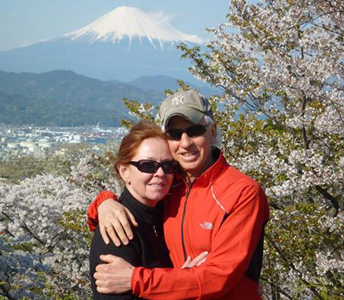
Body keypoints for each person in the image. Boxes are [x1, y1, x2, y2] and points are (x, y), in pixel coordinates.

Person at [89, 90, 270, 299]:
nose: (185, 143)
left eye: (194, 131)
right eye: (175, 134)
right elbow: (139, 200)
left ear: (212, 131)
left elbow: (219, 277)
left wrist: (135, 280)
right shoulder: (169, 184)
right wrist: (104, 203)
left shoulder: (242, 192)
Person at [90, 121, 206, 300]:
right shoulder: (118, 230)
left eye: (168, 166)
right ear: (124, 171)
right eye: (147, 165)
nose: (160, 173)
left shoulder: (164, 215)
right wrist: (183, 290)